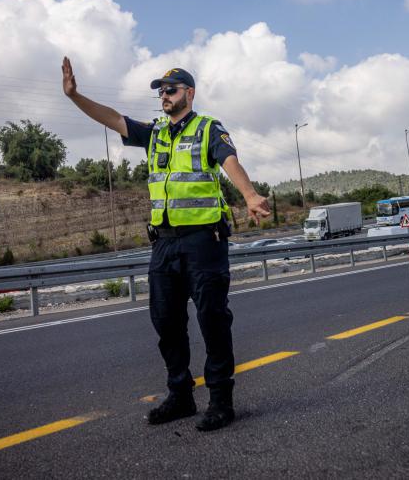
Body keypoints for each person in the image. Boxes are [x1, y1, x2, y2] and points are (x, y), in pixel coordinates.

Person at [61, 58, 270, 431]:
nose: (164, 96)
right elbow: (112, 118)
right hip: (164, 243)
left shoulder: (208, 128)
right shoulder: (155, 133)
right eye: (160, 91)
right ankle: (181, 395)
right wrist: (75, 96)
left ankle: (220, 401)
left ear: (189, 93)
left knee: (212, 319)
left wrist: (250, 195)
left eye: (170, 90)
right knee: (166, 321)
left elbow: (229, 160)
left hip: (204, 239)